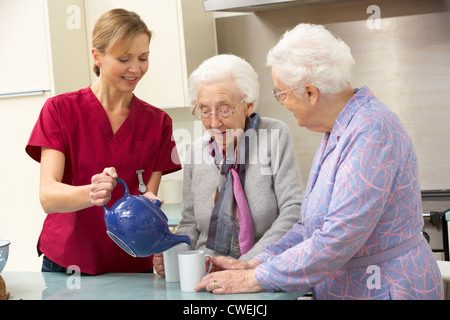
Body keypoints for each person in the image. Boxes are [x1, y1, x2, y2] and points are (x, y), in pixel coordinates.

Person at [195, 24, 443, 300]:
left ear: (311, 93)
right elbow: (310, 227)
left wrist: (256, 278)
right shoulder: (337, 130)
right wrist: (255, 262)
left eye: (281, 92)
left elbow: (339, 236)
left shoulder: (371, 130)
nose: (280, 102)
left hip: (387, 289)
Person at [25, 9, 181, 275]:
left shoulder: (159, 122)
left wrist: (151, 207)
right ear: (97, 56)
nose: (136, 68)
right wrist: (92, 193)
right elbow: (48, 196)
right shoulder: (59, 111)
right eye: (124, 59)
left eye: (143, 58)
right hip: (68, 263)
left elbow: (146, 199)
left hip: (132, 265)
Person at [153, 54, 303, 277]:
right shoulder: (196, 151)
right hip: (207, 273)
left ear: (248, 105)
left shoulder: (274, 136)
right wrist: (173, 253)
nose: (214, 123)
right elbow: (190, 223)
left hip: (261, 270)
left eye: (224, 110)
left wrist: (246, 264)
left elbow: (293, 211)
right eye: (204, 111)